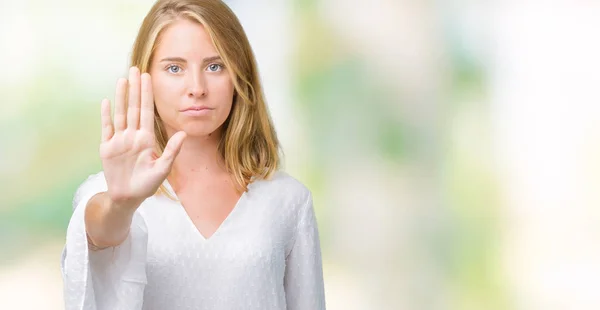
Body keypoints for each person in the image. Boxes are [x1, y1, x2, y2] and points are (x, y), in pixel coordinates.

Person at [60, 0, 326, 309]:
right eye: (175, 68)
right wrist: (121, 204)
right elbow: (98, 235)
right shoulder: (107, 193)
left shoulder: (288, 200)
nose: (197, 88)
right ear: (146, 78)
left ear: (240, 75)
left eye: (215, 66)